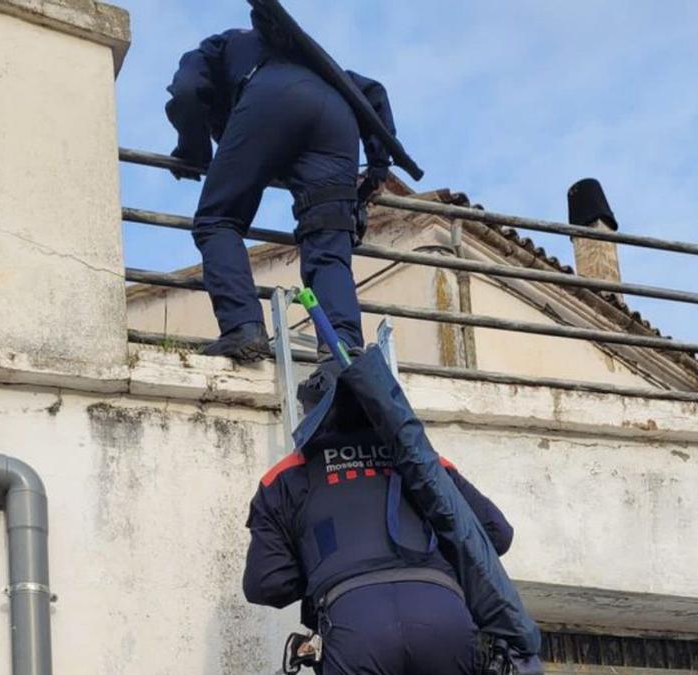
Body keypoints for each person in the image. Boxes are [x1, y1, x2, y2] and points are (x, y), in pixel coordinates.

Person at [243, 364, 515, 674]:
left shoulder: (283, 477)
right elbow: (497, 533)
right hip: (443, 618)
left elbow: (266, 584)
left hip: (354, 628)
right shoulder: (422, 460)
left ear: (310, 410)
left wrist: (324, 566)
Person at [165, 14, 395, 361]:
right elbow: (372, 92)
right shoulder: (308, 54)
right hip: (337, 116)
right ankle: (343, 348)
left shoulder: (218, 45)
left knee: (217, 220)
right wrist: (377, 166)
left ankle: (244, 327)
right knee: (327, 241)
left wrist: (194, 150)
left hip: (268, 98)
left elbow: (185, 91)